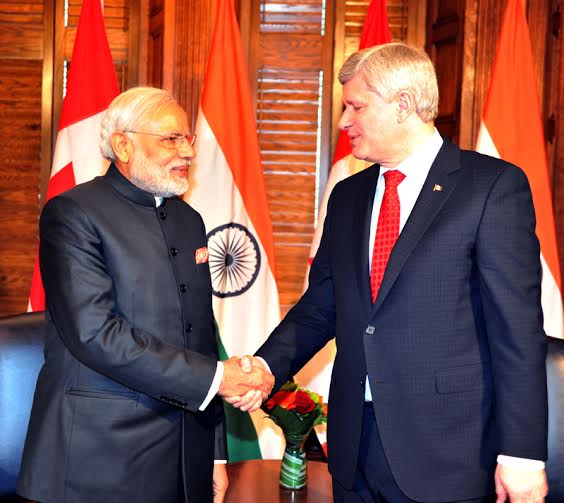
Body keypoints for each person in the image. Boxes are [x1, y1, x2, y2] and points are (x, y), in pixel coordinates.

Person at [240, 43, 549, 502]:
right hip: (353, 449)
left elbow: (517, 331)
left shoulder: (490, 188)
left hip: (448, 453)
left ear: (403, 104)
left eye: (356, 106)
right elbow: (322, 304)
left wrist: (522, 455)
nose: (344, 122)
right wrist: (265, 366)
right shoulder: (348, 196)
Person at [16, 86, 273, 503]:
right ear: (123, 145)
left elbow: (200, 336)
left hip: (185, 456)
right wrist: (218, 379)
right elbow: (95, 334)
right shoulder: (73, 213)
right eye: (171, 139)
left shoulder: (189, 220)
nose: (188, 152)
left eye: (188, 138)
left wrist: (215, 453)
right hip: (98, 457)